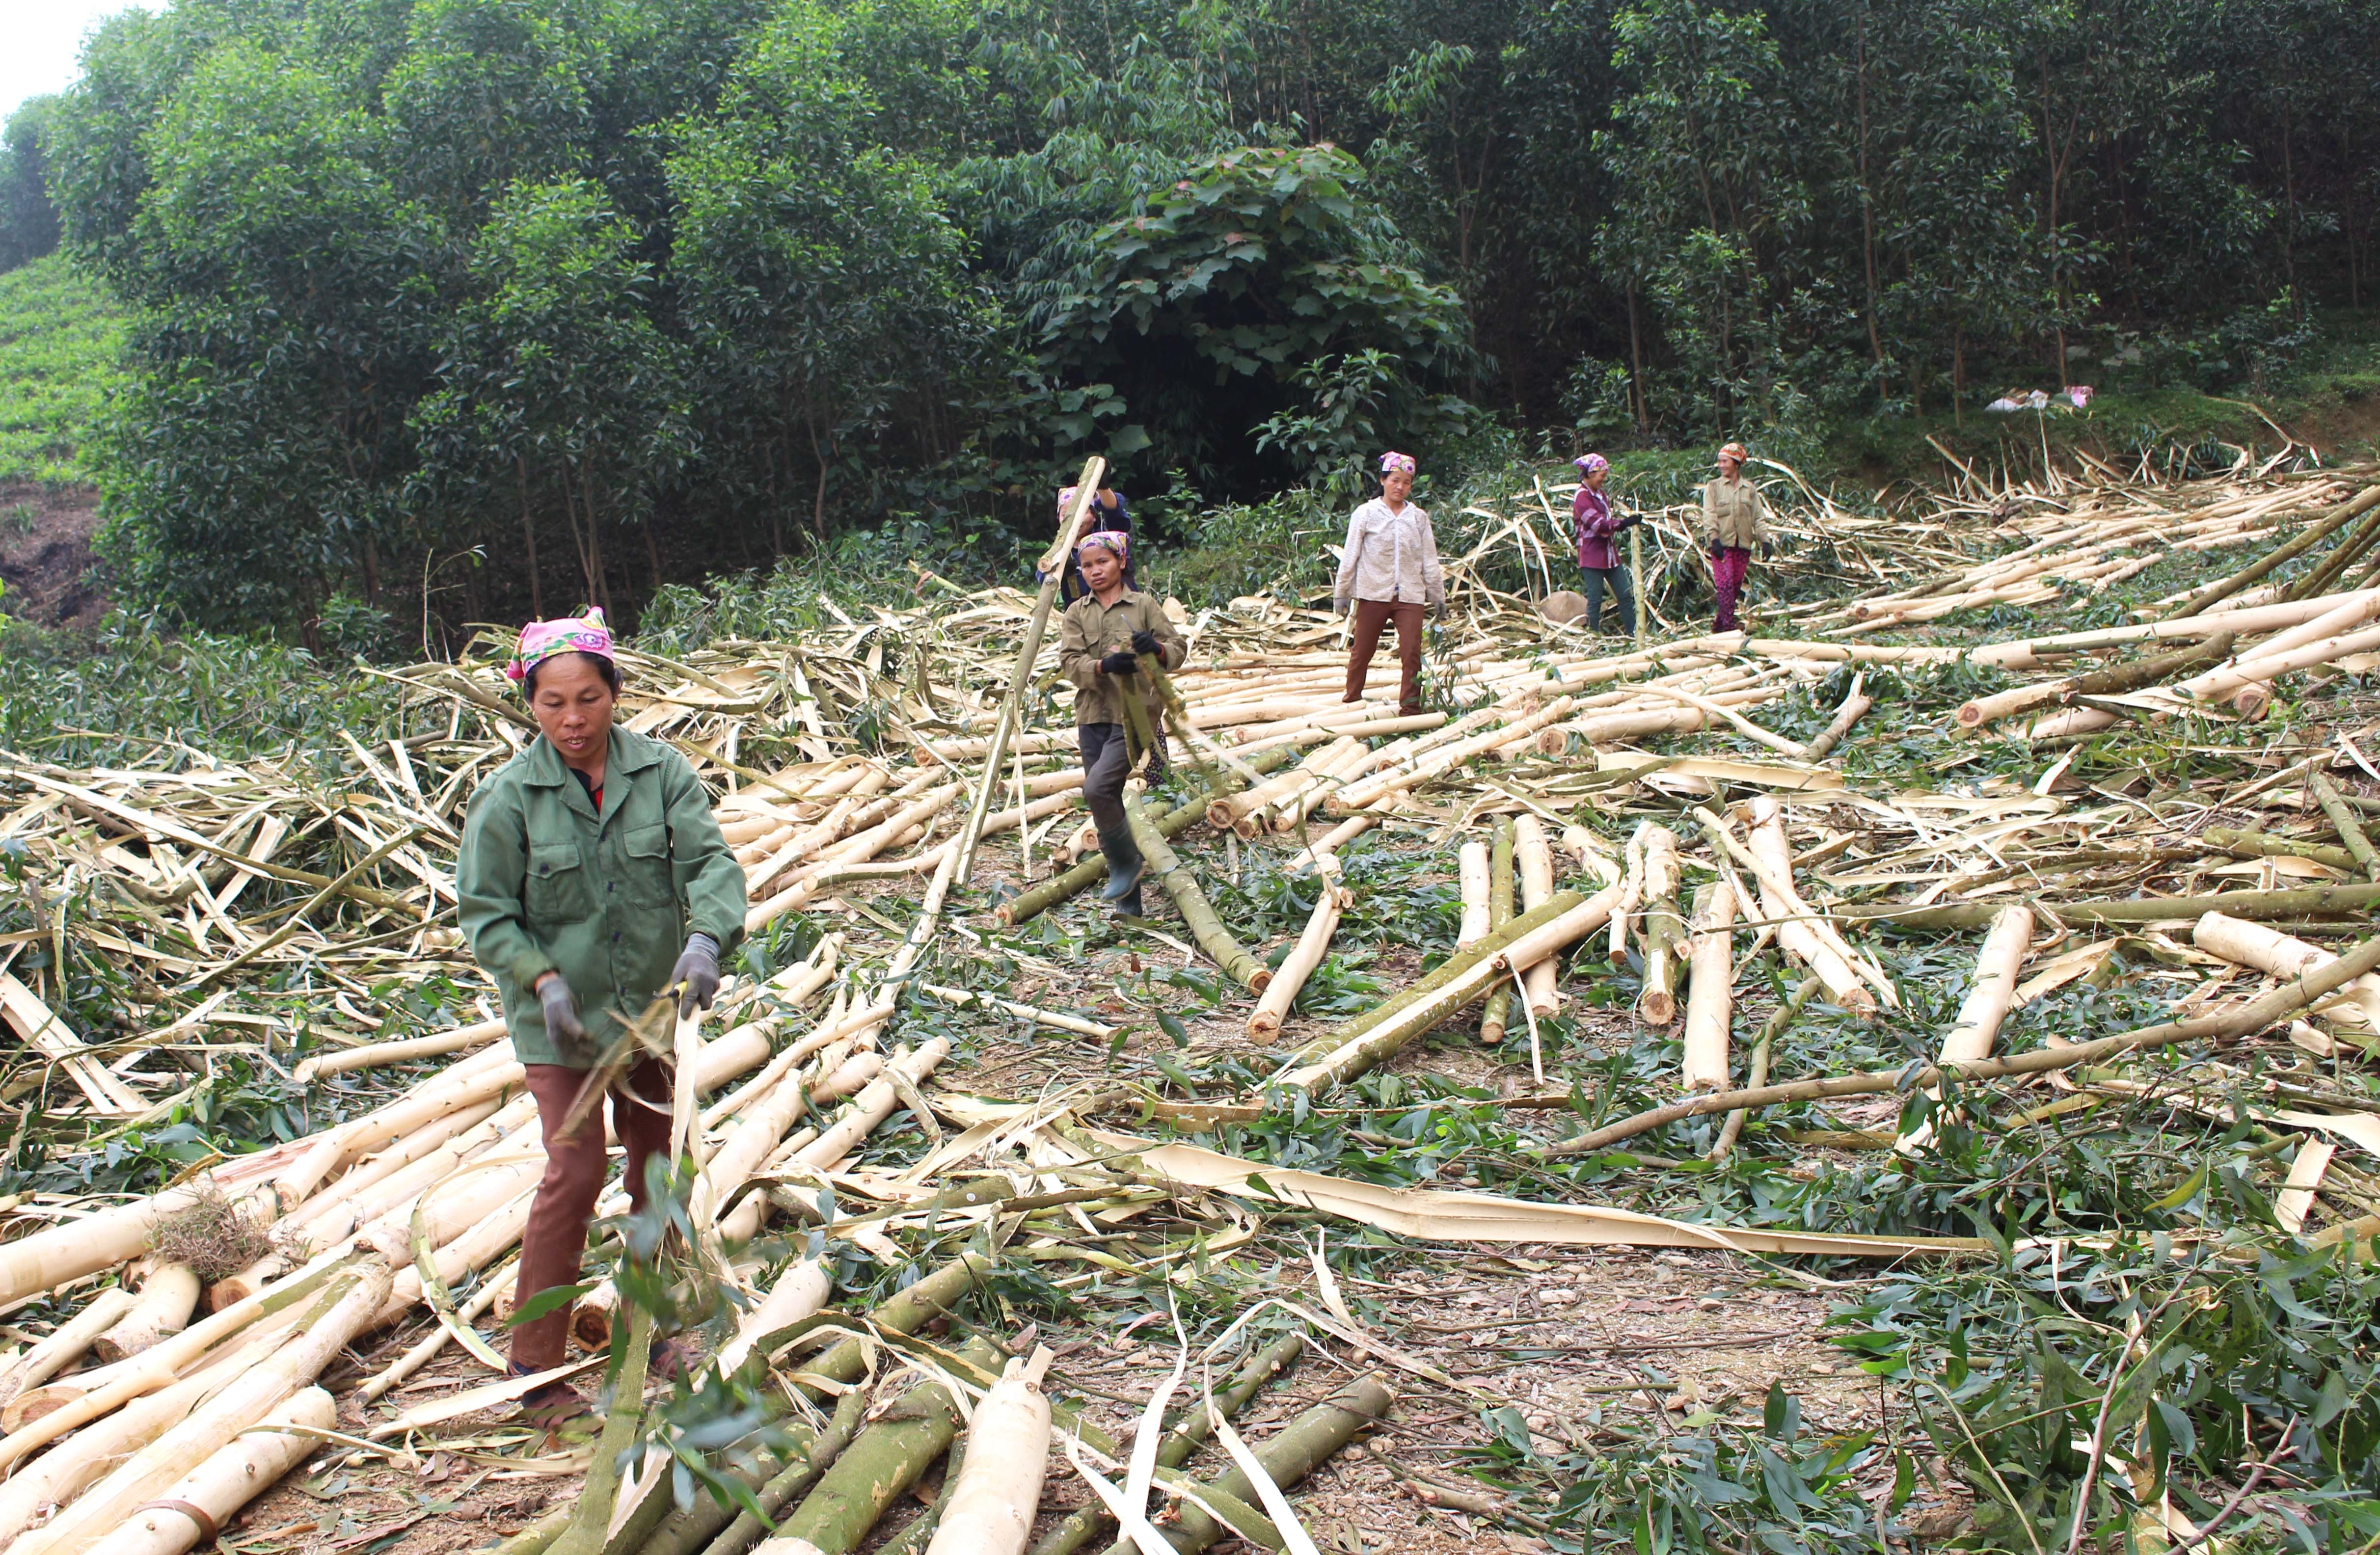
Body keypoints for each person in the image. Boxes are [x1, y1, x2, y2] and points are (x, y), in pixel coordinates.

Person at [456, 607, 746, 1426]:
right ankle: (533, 1365)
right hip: (562, 1022)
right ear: (529, 705)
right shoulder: (507, 799)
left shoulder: (661, 774)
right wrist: (541, 979)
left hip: (650, 1011)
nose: (573, 719)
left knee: (659, 1163)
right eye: (553, 703)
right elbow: (485, 911)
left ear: (615, 692)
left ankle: (648, 1326)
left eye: (589, 697)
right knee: (575, 1170)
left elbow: (709, 862)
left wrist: (704, 942)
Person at [1056, 532, 1185, 916]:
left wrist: (1156, 649)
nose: (1095, 571)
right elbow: (1068, 661)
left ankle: (1127, 865)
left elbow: (1177, 650)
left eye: (1103, 563)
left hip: (1135, 716)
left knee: (1096, 788)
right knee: (1105, 800)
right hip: (1094, 713)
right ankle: (1130, 906)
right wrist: (1101, 666)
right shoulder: (1077, 612)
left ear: (1121, 563)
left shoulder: (1143, 605)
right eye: (1088, 565)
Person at [1334, 451, 1444, 716]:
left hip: (1410, 595)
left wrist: (1438, 595)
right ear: (1383, 480)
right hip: (1374, 593)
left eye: (1406, 482)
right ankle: (1352, 703)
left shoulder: (1418, 518)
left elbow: (1429, 559)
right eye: (1395, 480)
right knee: (1362, 651)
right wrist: (1342, 593)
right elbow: (1351, 555)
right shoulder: (1366, 514)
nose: (1400, 487)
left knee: (1411, 652)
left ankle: (1410, 709)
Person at [1701, 441, 1771, 632]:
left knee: (1733, 588)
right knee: (1725, 587)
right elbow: (1709, 515)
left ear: (1736, 463)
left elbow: (1758, 517)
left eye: (1725, 462)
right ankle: (1729, 628)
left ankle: (1718, 629)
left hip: (1743, 546)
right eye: (1720, 462)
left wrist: (1765, 541)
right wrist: (1714, 539)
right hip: (1722, 546)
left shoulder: (1749, 489)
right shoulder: (1713, 487)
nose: (1721, 465)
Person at [1570, 453, 1636, 635]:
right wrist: (1622, 524)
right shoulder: (1582, 497)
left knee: (1625, 595)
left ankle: (1634, 633)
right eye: (1602, 476)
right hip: (1592, 555)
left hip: (1609, 554)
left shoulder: (1601, 495)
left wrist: (1622, 523)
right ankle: (1593, 636)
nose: (1604, 480)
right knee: (1595, 599)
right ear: (1591, 473)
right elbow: (1598, 525)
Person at [1041, 485, 1133, 602]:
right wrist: (1056, 569)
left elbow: (1116, 515)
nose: (1075, 520)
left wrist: (1103, 486)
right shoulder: (1059, 553)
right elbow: (1044, 578)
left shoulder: (1110, 540)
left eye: (1081, 513)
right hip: (1082, 617)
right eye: (1066, 515)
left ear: (1094, 516)